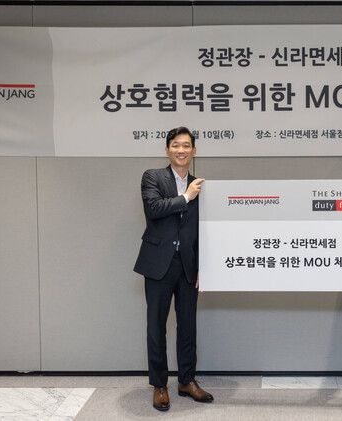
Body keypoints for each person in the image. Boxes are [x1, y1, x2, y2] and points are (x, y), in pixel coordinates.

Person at [133, 126, 213, 411]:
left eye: (186, 145)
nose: (181, 150)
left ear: (194, 151)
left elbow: (204, 230)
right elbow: (154, 208)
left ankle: (187, 381)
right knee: (156, 326)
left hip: (188, 265)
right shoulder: (153, 177)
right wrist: (186, 197)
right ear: (167, 150)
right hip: (158, 263)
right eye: (176, 145)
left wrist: (204, 266)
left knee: (188, 326)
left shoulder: (200, 185)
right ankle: (159, 385)